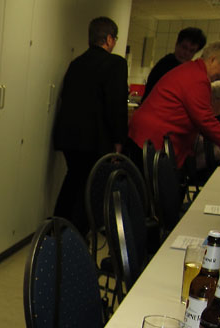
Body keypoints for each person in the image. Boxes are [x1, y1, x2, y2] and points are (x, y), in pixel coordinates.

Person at [53, 16, 129, 234]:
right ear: (109, 39)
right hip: (96, 138)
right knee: (91, 187)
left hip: (69, 136)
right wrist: (119, 139)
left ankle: (57, 226)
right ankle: (76, 234)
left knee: (73, 179)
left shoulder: (76, 63)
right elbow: (116, 104)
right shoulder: (116, 63)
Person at [125, 41, 220, 172]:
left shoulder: (192, 70)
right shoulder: (198, 79)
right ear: (213, 60)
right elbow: (204, 119)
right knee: (150, 183)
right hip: (153, 138)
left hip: (147, 135)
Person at [143, 27, 206, 100]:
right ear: (177, 44)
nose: (186, 53)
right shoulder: (166, 65)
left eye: (191, 51)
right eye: (184, 47)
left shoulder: (185, 68)